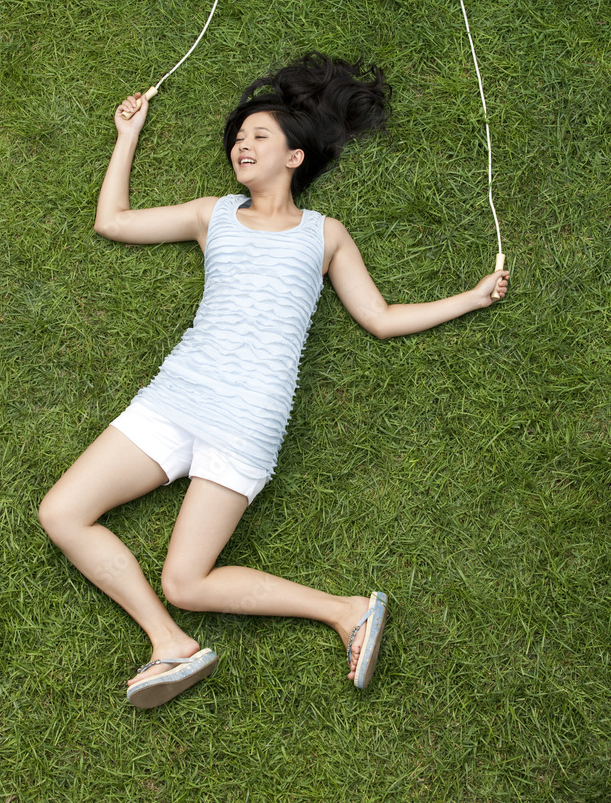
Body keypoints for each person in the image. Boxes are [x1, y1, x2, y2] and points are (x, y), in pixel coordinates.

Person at [38, 53, 509, 708]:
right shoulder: (212, 215)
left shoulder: (325, 235)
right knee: (62, 512)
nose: (243, 144)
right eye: (239, 138)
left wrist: (472, 297)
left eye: (259, 136)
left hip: (247, 421)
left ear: (294, 157)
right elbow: (112, 221)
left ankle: (347, 611)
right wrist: (127, 136)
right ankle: (170, 645)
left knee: (187, 580)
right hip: (176, 398)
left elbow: (380, 318)